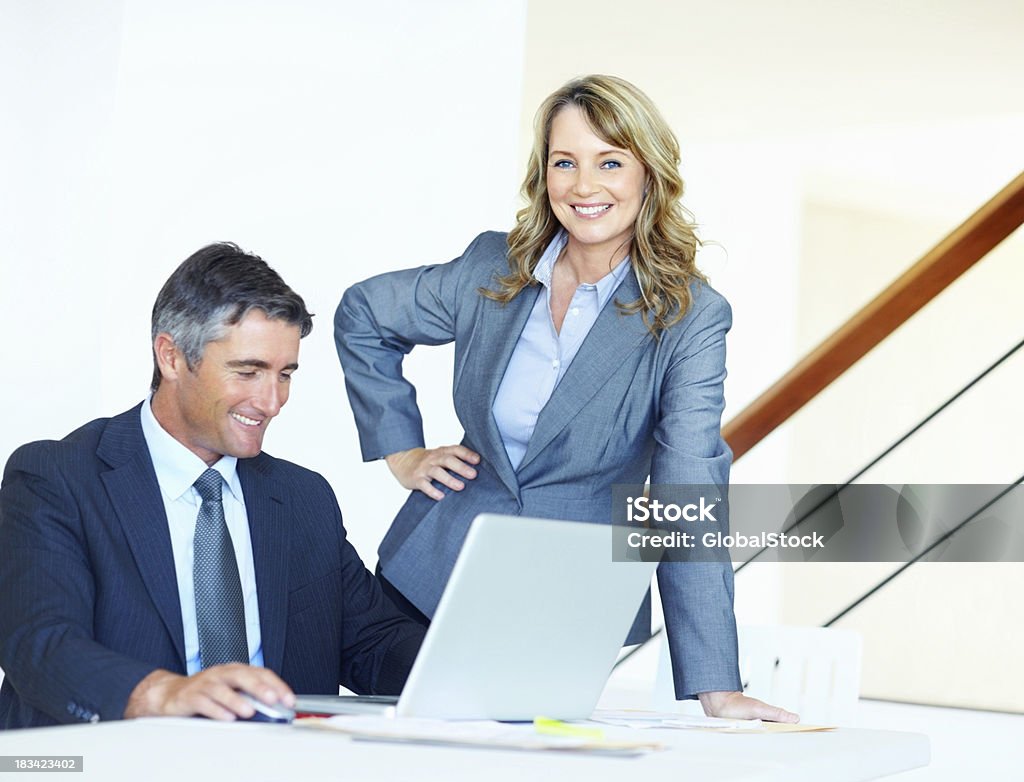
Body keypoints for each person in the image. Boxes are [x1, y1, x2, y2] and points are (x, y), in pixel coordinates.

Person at [336, 75, 796, 721]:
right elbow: (365, 314)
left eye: (609, 161)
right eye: (565, 162)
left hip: (563, 608)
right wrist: (401, 449)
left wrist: (716, 683)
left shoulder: (689, 318)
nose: (584, 186)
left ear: (648, 175)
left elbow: (687, 493)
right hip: (429, 577)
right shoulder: (491, 268)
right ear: (543, 172)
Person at [0, 243, 425, 729]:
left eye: (285, 375)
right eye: (248, 371)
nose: (271, 402)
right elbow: (41, 645)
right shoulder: (56, 478)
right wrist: (167, 694)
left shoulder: (304, 498)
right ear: (172, 357)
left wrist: (487, 673)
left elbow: (372, 642)